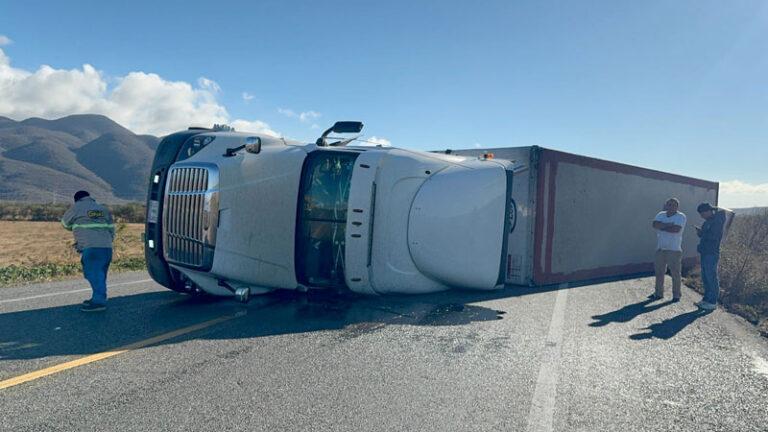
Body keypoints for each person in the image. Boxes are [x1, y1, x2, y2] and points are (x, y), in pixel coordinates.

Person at [61, 191, 115, 312]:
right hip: (106, 248)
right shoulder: (102, 209)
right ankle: (97, 297)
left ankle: (99, 302)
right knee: (100, 274)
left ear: (77, 199)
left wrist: (75, 226)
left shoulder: (76, 208)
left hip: (91, 248)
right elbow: (111, 229)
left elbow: (64, 223)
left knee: (92, 274)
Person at [651, 198, 686, 301]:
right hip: (660, 248)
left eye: (674, 205)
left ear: (677, 207)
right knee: (659, 272)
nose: (671, 206)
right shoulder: (661, 214)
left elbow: (676, 230)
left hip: (674, 250)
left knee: (675, 273)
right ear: (666, 205)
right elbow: (654, 225)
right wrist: (668, 225)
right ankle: (658, 293)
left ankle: (676, 295)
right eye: (669, 204)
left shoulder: (681, 216)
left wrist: (662, 226)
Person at [694, 202, 726, 311]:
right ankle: (706, 299)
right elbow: (705, 234)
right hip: (705, 252)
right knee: (705, 277)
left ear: (708, 211)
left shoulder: (718, 221)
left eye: (702, 213)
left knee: (711, 277)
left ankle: (712, 302)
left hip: (712, 253)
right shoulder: (707, 222)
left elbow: (713, 236)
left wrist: (704, 233)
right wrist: (700, 233)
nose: (701, 216)